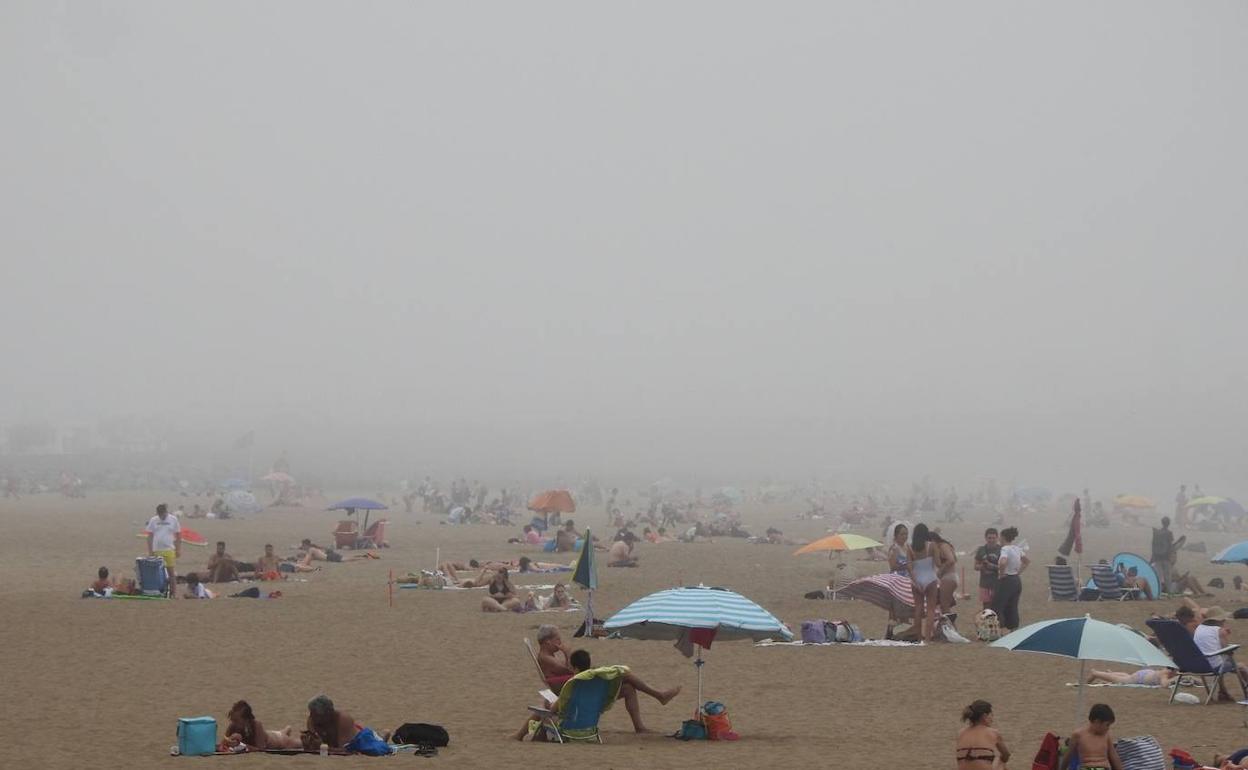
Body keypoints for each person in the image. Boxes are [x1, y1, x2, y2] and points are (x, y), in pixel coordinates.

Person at [525, 627, 680, 736]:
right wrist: (567, 653)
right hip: (576, 695)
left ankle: (640, 726)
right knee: (624, 674)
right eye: (557, 639)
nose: (560, 642)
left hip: (580, 691)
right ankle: (659, 695)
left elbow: (574, 670)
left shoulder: (549, 657)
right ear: (547, 642)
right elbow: (573, 670)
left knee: (627, 688)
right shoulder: (546, 658)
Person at [1192, 607, 1248, 699]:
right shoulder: (1220, 631)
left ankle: (1223, 691)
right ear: (1220, 620)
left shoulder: (1199, 628)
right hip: (1213, 665)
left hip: (1200, 663)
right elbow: (1226, 650)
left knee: (1219, 661)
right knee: (1241, 667)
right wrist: (1227, 638)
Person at [1059, 703, 1122, 770]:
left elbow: (1114, 757)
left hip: (1104, 767)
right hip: (1087, 767)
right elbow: (1068, 755)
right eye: (1107, 725)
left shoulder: (1106, 736)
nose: (1108, 728)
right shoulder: (1078, 735)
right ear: (1097, 722)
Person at [907, 523, 940, 643]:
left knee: (918, 609)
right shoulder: (932, 545)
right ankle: (927, 638)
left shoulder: (909, 547)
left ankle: (918, 638)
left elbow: (909, 566)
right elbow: (938, 563)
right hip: (930, 578)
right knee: (931, 609)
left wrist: (914, 580)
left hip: (916, 578)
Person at [224, 700, 302, 750]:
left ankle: (285, 731)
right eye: (232, 720)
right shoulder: (233, 725)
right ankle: (285, 730)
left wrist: (241, 745)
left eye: (237, 720)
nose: (234, 723)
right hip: (269, 733)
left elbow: (260, 749)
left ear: (246, 720)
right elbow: (224, 742)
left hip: (278, 741)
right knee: (280, 733)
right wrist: (229, 741)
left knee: (300, 743)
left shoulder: (256, 725)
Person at [956, 700, 1010, 769]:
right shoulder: (993, 732)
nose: (992, 719)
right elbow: (1006, 755)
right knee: (1001, 761)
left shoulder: (960, 733)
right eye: (991, 715)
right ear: (985, 716)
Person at [992, 527, 1029, 631]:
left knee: (997, 605)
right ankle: (1014, 628)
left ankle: (997, 629)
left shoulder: (1005, 549)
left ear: (1003, 537)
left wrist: (1001, 573)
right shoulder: (1017, 548)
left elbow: (1003, 562)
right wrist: (1018, 572)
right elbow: (1026, 561)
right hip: (1016, 581)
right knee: (1013, 606)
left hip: (1006, 580)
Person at [145, 503, 181, 598]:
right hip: (157, 549)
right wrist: (150, 550)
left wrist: (178, 549)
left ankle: (173, 593)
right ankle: (157, 592)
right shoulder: (153, 520)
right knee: (156, 573)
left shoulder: (173, 519)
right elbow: (150, 536)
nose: (162, 517)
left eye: (163, 515)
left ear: (166, 512)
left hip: (169, 549)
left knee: (171, 573)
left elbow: (178, 535)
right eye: (160, 515)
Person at [931, 529, 958, 616]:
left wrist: (940, 571)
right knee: (945, 606)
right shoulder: (940, 547)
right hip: (949, 577)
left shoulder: (943, 546)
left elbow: (951, 560)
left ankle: (950, 627)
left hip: (948, 577)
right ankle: (951, 627)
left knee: (945, 606)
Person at [973, 528, 1001, 609]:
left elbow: (1005, 568)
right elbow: (975, 566)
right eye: (989, 538)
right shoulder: (981, 550)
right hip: (984, 583)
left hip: (998, 584)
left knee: (996, 606)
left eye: (993, 538)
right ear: (985, 538)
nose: (991, 540)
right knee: (986, 607)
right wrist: (982, 566)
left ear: (997, 538)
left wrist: (992, 566)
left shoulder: (1002, 550)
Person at [1150, 517, 1176, 594]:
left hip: (1157, 557)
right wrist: (1172, 557)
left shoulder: (1156, 533)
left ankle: (1158, 590)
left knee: (1158, 575)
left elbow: (1153, 545)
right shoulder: (1169, 533)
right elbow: (1170, 546)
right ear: (1169, 523)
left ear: (1162, 523)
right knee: (1167, 576)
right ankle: (1169, 591)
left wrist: (1152, 558)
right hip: (1166, 557)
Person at [1086, 668, 1175, 687]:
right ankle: (1096, 673)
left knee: (1127, 676)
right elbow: (1164, 685)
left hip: (1145, 674)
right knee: (1118, 680)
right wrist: (1175, 679)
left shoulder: (1166, 670)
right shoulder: (1165, 674)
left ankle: (1113, 673)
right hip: (1140, 678)